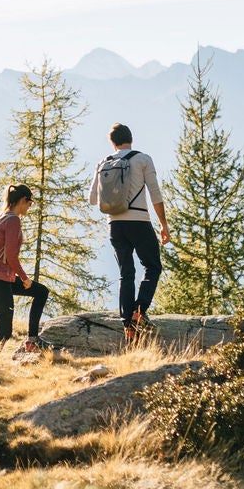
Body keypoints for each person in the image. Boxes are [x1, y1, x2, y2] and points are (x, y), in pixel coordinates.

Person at [89, 123, 169, 333]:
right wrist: (163, 225)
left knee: (126, 273)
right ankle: (139, 311)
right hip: (139, 221)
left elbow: (92, 198)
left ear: (112, 143)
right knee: (152, 267)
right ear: (131, 139)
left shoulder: (103, 163)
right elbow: (155, 194)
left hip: (114, 224)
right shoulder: (143, 159)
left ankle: (128, 325)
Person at [0, 183, 51, 352]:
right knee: (4, 332)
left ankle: (32, 340)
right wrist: (24, 278)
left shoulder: (1, 217)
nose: (30, 207)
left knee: (41, 292)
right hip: (0, 280)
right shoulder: (13, 220)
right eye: (29, 203)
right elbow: (11, 255)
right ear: (23, 200)